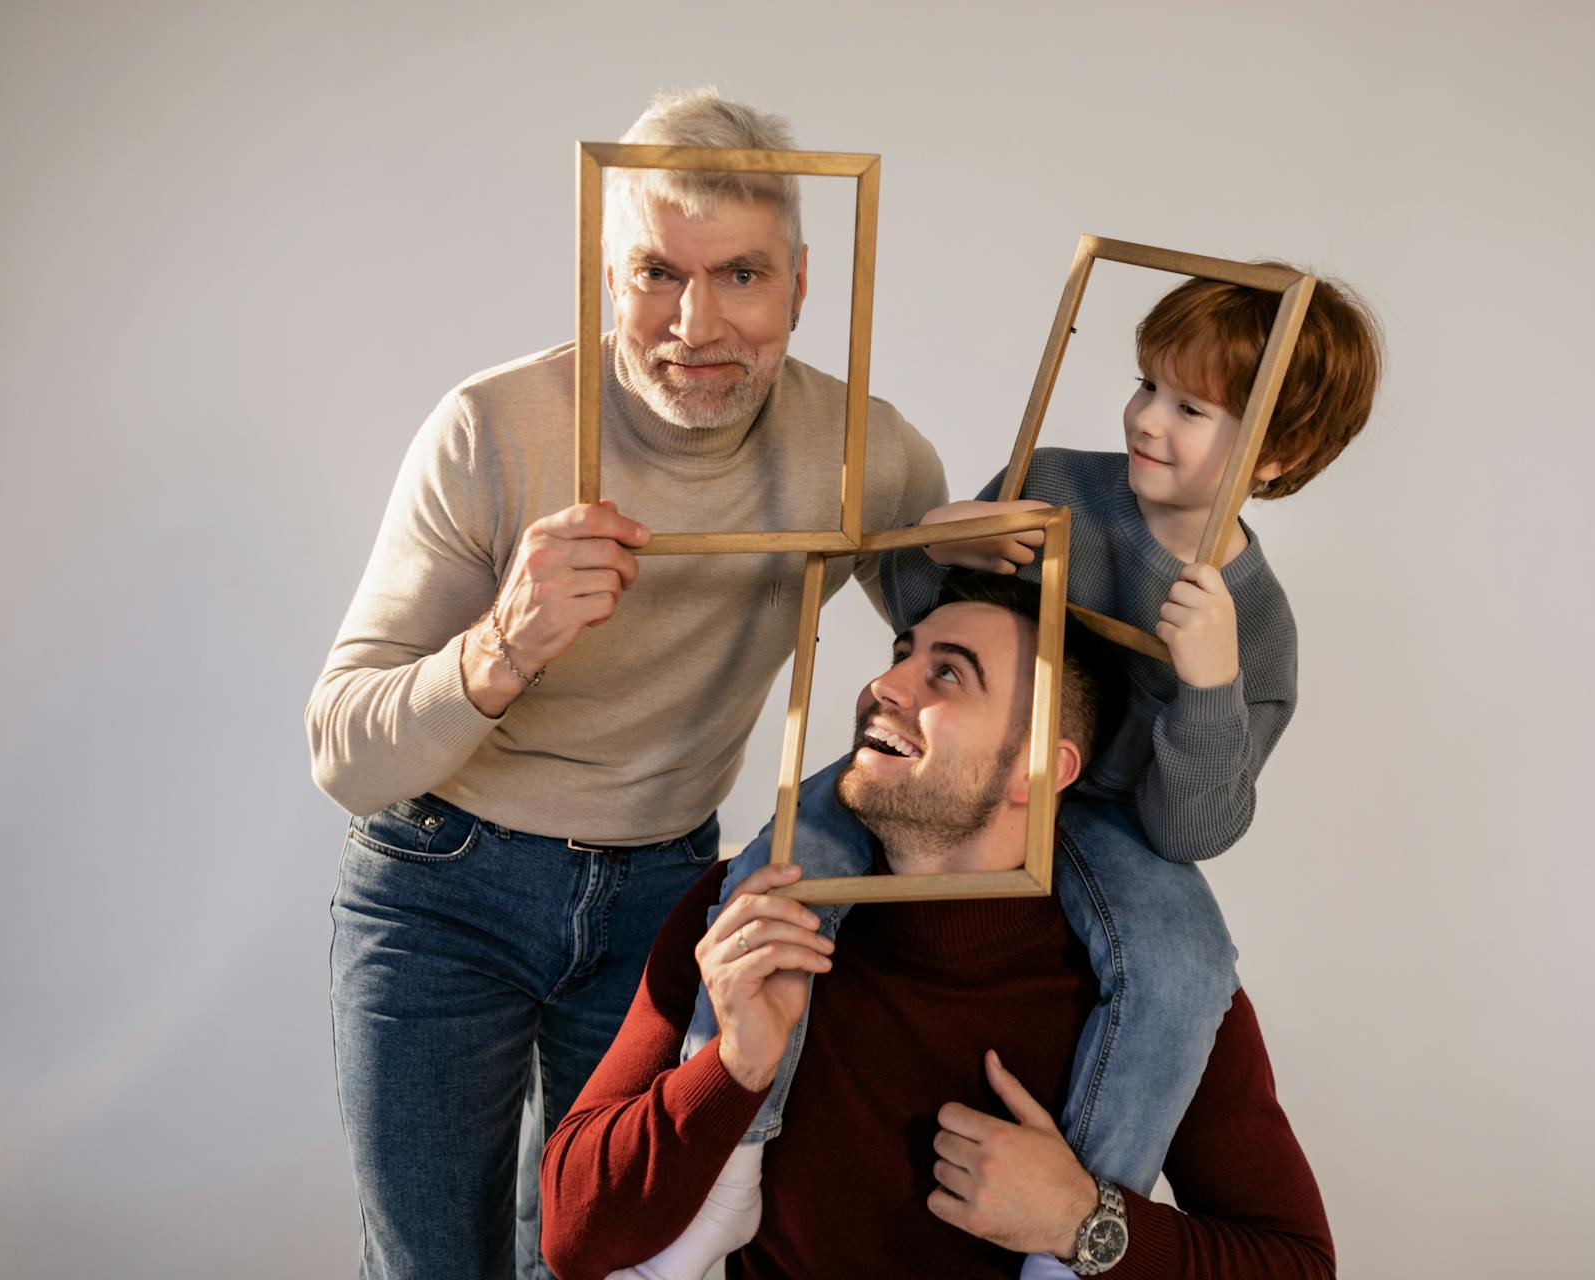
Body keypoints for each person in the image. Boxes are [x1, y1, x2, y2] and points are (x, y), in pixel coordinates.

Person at [306, 87, 946, 1280]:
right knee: (430, 1267)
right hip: (442, 888)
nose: (695, 322)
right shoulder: (492, 428)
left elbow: (965, 654)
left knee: (614, 1263)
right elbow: (342, 754)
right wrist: (503, 643)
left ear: (801, 284)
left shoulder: (867, 453)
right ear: (610, 280)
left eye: (741, 276)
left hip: (664, 891)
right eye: (658, 272)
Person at [641, 267, 1382, 1277]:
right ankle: (730, 1156)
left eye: (1191, 407)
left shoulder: (1258, 625)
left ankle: (1070, 1229)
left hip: (1116, 819)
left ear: (1277, 454)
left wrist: (1209, 687)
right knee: (785, 852)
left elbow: (1190, 829)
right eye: (1146, 384)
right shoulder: (1064, 481)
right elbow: (930, 629)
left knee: (1185, 957)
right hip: (967, 775)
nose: (1147, 418)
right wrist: (948, 541)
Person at [542, 572, 1335, 1279]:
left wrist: (1082, 1225)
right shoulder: (756, 906)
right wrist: (733, 1068)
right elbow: (571, 1235)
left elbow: (1298, 1261)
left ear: (1041, 769)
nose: (884, 685)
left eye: (948, 674)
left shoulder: (1155, 983)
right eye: (901, 654)